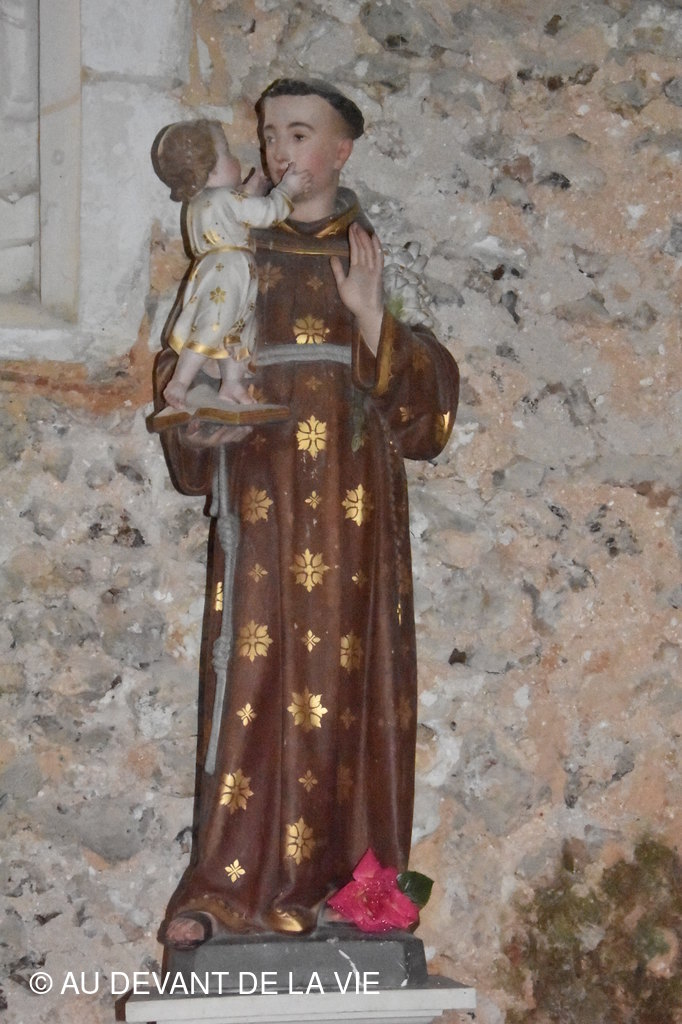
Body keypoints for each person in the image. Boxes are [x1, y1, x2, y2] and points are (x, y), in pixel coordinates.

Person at [153, 79, 460, 949]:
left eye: (298, 132)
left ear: (342, 150)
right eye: (268, 133)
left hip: (355, 514)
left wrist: (372, 321)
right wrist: (199, 419)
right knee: (250, 686)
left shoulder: (370, 255)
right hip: (264, 500)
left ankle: (351, 889)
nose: (279, 150)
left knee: (347, 692)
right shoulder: (236, 250)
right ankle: (227, 890)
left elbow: (428, 415)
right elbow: (190, 356)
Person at [151, 119, 311, 409]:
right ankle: (180, 381)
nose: (235, 159)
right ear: (210, 169)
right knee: (214, 324)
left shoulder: (202, 201)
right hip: (227, 273)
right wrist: (287, 189)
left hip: (227, 270)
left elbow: (233, 216)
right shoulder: (222, 198)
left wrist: (250, 189)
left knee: (234, 330)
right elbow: (264, 213)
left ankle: (231, 385)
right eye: (227, 153)